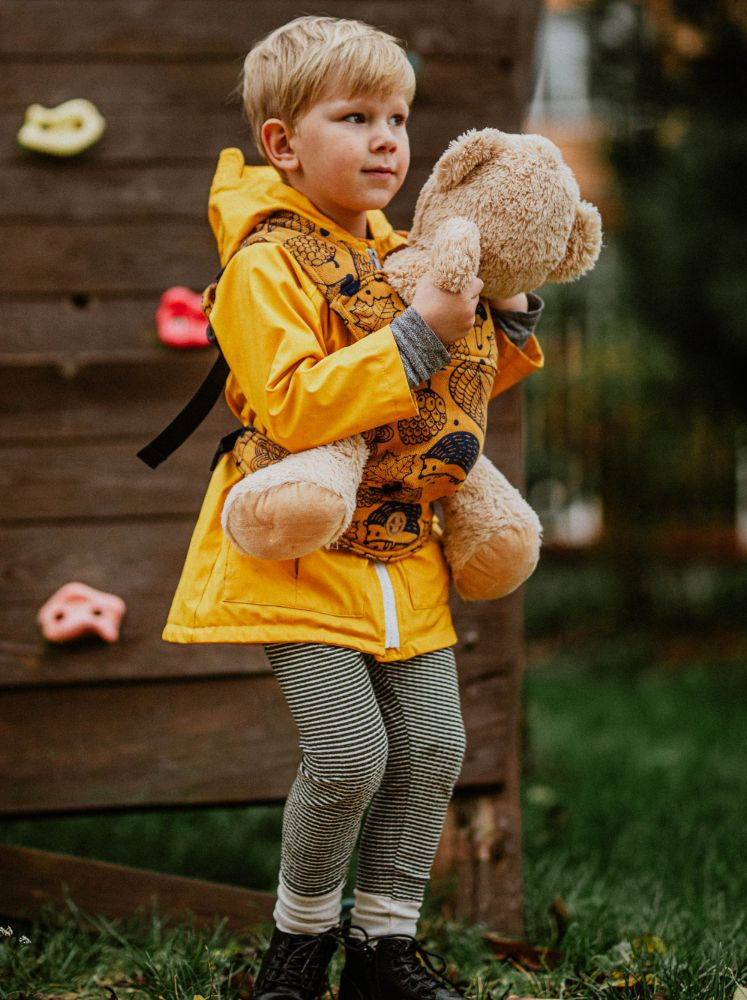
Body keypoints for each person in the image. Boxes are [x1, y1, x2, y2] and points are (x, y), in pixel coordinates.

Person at [163, 15, 544, 1000]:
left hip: (400, 549)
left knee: (433, 749)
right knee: (348, 754)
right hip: (303, 542)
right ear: (283, 142)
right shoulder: (265, 263)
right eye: (356, 116)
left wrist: (493, 320)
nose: (388, 139)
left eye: (400, 118)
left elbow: (438, 405)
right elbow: (292, 403)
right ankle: (297, 948)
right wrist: (419, 333)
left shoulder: (402, 248)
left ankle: (385, 946)